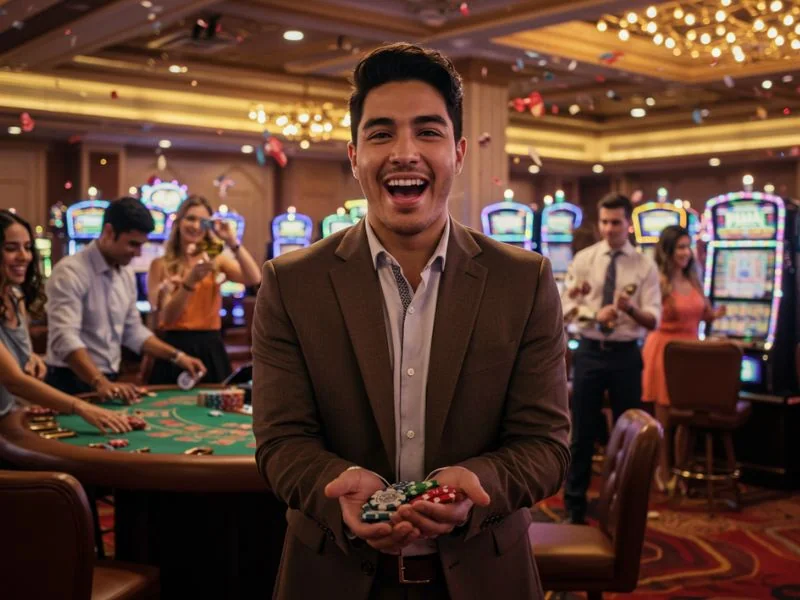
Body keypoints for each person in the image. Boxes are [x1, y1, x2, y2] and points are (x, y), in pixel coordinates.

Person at [252, 43, 570, 600]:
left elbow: (545, 445)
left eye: (427, 132)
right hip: (331, 575)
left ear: (459, 152)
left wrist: (480, 485)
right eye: (380, 134)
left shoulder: (524, 280)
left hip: (484, 575)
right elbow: (281, 441)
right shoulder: (289, 281)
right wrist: (335, 489)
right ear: (354, 157)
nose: (404, 153)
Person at [560, 193, 661, 524]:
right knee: (581, 436)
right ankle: (573, 509)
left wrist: (630, 309)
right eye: (603, 222)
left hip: (625, 356)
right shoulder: (585, 259)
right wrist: (594, 314)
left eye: (615, 222)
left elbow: (654, 319)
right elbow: (565, 308)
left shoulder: (644, 266)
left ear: (628, 225)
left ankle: (623, 510)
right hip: (589, 352)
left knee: (628, 437)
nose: (608, 229)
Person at [45, 197, 206, 402]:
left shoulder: (126, 273)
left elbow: (133, 331)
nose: (138, 253)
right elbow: (65, 340)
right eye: (132, 244)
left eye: (141, 245)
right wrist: (100, 382)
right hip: (70, 380)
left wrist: (178, 357)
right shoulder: (69, 272)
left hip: (107, 379)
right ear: (109, 232)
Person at [0, 210, 130, 433]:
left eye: (27, 247)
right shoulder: (72, 272)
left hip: (12, 419)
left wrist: (31, 357)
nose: (24, 256)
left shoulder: (15, 296)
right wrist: (80, 407)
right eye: (11, 248)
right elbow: (14, 380)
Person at [642, 225, 724, 489]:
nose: (686, 253)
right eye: (679, 247)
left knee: (687, 418)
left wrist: (718, 315)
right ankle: (662, 471)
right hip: (664, 351)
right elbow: (649, 315)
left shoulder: (694, 279)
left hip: (692, 352)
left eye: (687, 246)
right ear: (667, 250)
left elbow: (704, 314)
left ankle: (682, 469)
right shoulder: (658, 281)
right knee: (664, 420)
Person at [146, 196, 261, 384]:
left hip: (211, 346)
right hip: (174, 348)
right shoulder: (159, 265)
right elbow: (165, 318)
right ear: (178, 221)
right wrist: (189, 282)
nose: (196, 226)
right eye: (190, 218)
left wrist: (232, 240)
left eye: (203, 221)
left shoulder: (215, 260)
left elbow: (254, 278)